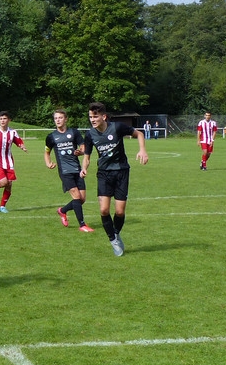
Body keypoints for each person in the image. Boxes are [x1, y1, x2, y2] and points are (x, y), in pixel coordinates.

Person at [81, 103, 148, 256]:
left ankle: (116, 233)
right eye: (90, 117)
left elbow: (139, 134)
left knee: (119, 211)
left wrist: (142, 150)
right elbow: (87, 157)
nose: (92, 119)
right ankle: (112, 240)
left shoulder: (117, 127)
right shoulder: (90, 135)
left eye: (95, 116)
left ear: (104, 116)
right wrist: (84, 168)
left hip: (121, 172)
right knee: (104, 210)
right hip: (104, 173)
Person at [44, 109, 93, 232]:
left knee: (81, 199)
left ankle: (62, 210)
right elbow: (47, 152)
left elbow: (83, 147)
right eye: (56, 118)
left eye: (60, 118)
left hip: (77, 169)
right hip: (65, 171)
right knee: (76, 196)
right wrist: (48, 162)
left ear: (66, 119)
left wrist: (80, 152)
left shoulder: (74, 132)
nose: (58, 120)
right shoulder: (51, 137)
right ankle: (82, 225)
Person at [0, 111, 27, 213]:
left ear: (9, 120)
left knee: (9, 184)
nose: (2, 121)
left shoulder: (13, 132)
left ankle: (2, 206)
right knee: (3, 182)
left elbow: (19, 142)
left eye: (4, 119)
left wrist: (22, 146)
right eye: (0, 119)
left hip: (8, 161)